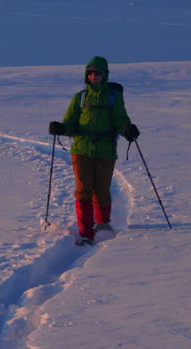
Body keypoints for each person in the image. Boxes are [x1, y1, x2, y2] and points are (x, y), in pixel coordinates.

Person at [48, 56, 139, 245]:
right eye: (90, 73)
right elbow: (70, 124)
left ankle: (103, 225)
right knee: (83, 190)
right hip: (81, 150)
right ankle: (85, 230)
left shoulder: (114, 97)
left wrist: (127, 129)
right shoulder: (79, 98)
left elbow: (120, 119)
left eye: (97, 73)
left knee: (102, 190)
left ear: (105, 75)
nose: (93, 76)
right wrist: (61, 128)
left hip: (105, 150)